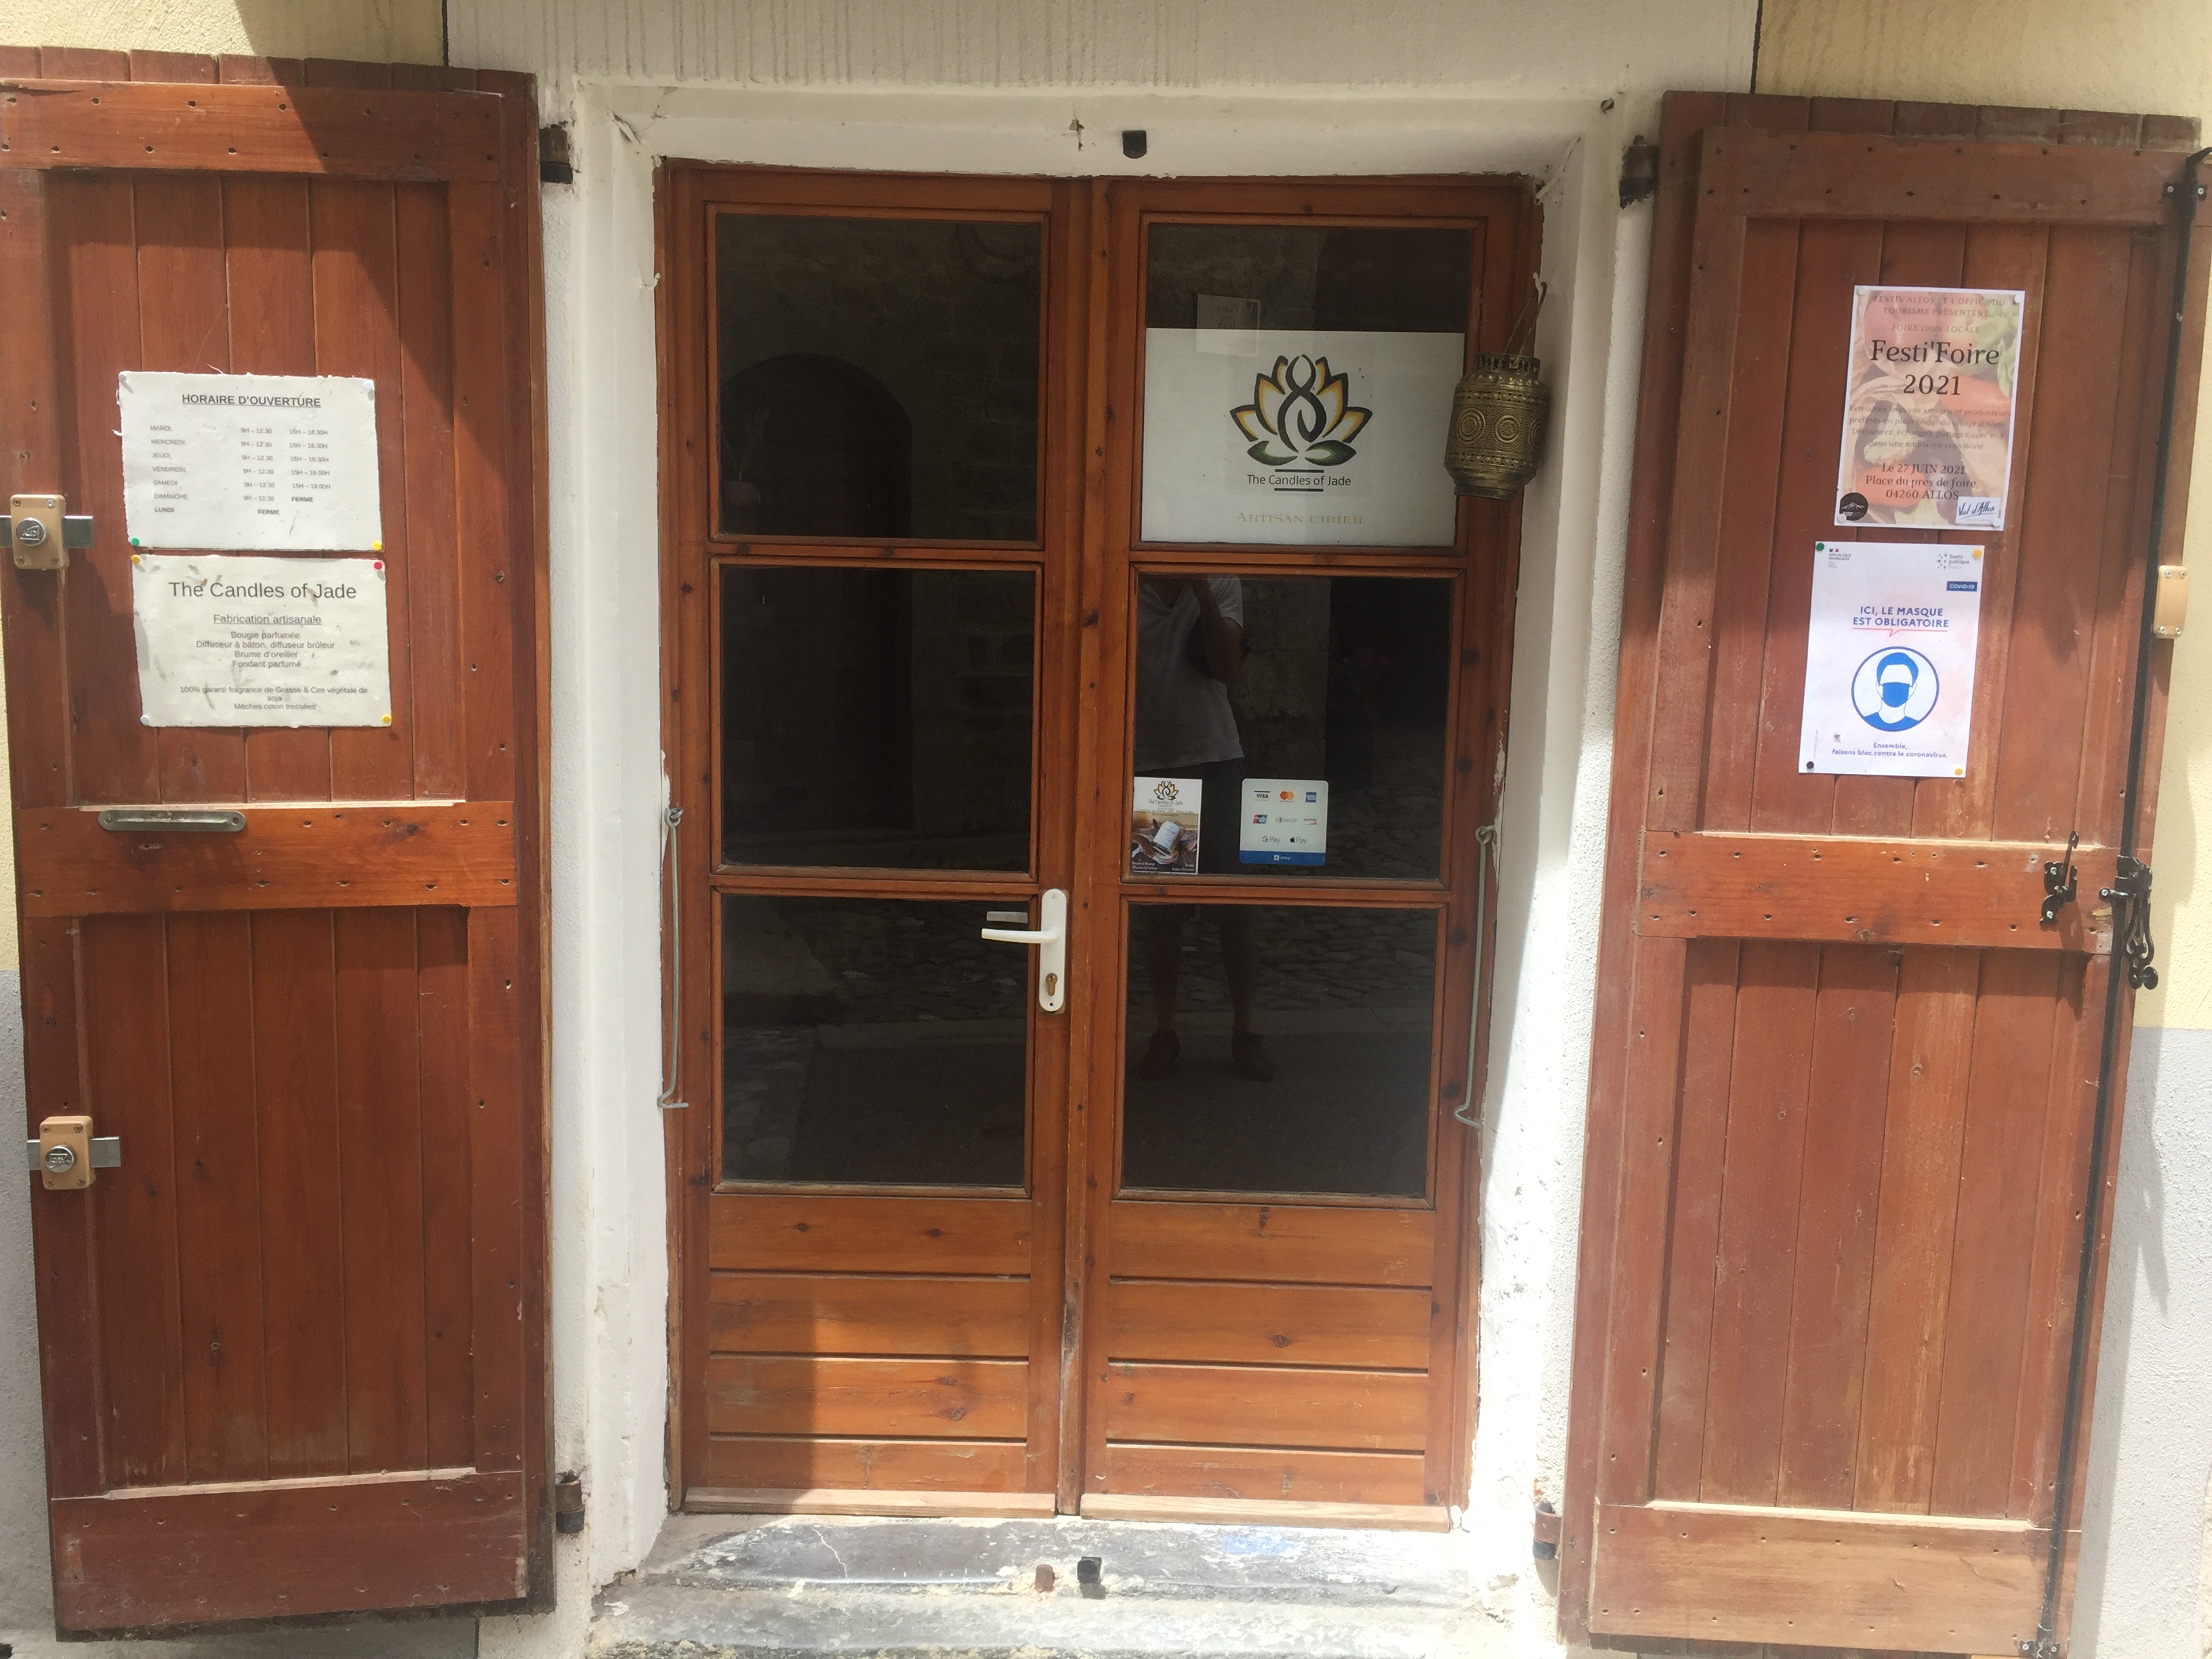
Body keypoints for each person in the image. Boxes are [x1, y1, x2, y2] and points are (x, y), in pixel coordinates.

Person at [1131, 575, 1273, 1082]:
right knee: (1161, 911)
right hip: (1152, 768)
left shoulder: (1219, 580)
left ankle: (1246, 1031)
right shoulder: (1128, 581)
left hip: (1213, 759)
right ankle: (1165, 1031)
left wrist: (1204, 595)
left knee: (1234, 907)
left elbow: (1229, 668)